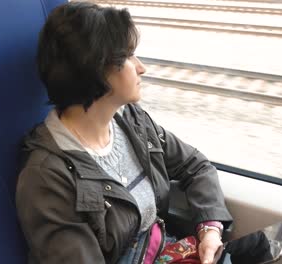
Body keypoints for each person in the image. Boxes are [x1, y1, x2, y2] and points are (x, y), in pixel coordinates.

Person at [15, 2, 233, 264]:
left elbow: (195, 166)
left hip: (163, 251)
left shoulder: (133, 122)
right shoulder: (47, 178)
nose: (141, 67)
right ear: (97, 70)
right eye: (129, 56)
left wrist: (209, 231)